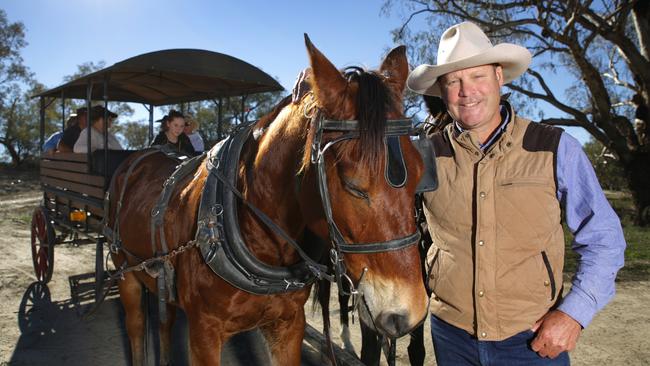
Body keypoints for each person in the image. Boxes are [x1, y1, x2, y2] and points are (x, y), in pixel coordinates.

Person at [406, 22, 626, 365]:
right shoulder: (423, 156)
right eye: (453, 81)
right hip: (450, 337)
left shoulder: (554, 148)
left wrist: (574, 313)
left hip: (532, 340)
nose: (466, 91)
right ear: (442, 91)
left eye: (477, 76)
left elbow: (604, 238)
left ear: (499, 77)